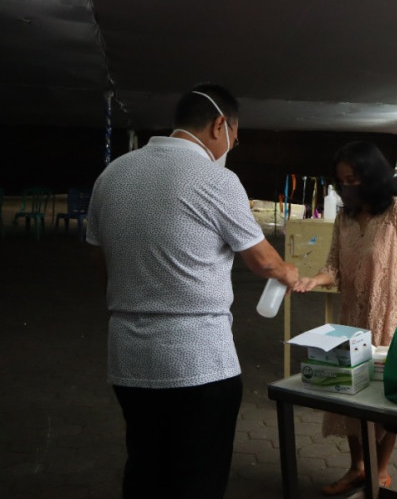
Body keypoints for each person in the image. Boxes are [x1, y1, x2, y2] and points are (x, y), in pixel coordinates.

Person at [86, 84, 299, 499]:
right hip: (198, 361)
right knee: (196, 475)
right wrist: (289, 272)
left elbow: (100, 259)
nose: (230, 148)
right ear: (220, 125)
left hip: (128, 356)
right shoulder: (215, 179)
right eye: (234, 139)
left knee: (146, 466)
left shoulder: (113, 174)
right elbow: (263, 261)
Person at [292, 141, 397, 495]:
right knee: (349, 396)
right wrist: (314, 279)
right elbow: (333, 266)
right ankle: (357, 468)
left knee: (384, 400)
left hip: (392, 319)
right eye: (342, 181)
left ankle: (380, 471)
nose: (347, 186)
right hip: (352, 319)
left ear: (372, 175)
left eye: (353, 178)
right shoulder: (345, 215)